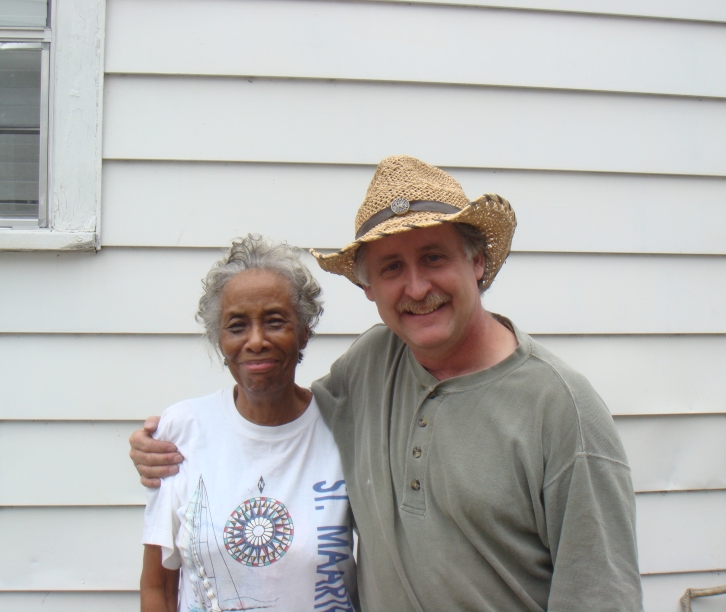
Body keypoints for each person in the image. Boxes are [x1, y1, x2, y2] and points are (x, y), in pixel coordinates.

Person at [132, 156, 643, 611]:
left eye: (434, 257)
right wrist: (169, 441)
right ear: (369, 287)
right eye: (392, 267)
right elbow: (281, 412)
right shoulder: (372, 366)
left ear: (477, 261)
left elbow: (601, 597)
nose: (416, 288)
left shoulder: (562, 411)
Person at [139, 235, 358, 612]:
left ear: (303, 332)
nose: (256, 341)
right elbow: (158, 586)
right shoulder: (182, 431)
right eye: (237, 326)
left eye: (275, 322)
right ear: (219, 339)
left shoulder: (345, 427)